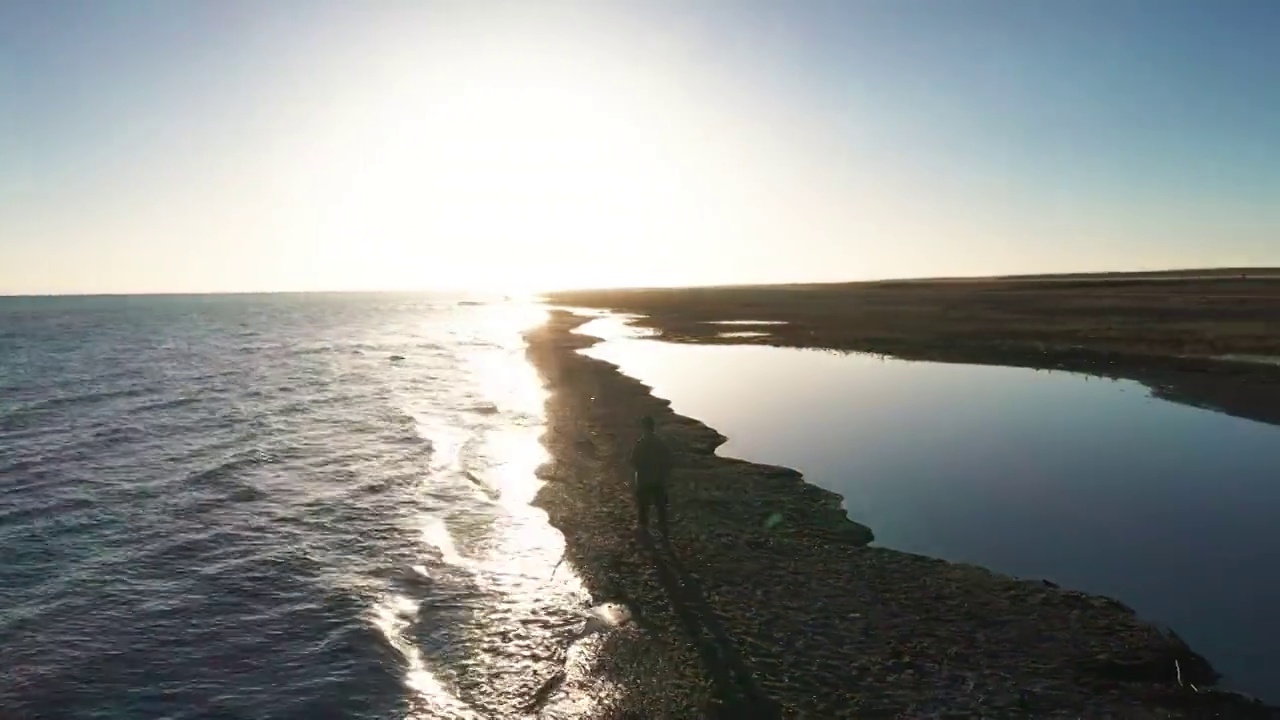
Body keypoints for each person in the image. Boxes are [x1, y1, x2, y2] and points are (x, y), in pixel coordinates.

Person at [628, 415, 673, 535]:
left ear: (643, 428)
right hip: (658, 480)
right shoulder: (660, 443)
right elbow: (668, 461)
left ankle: (643, 527)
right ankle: (662, 527)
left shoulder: (640, 444)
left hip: (644, 480)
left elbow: (633, 461)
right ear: (653, 428)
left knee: (643, 506)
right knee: (660, 506)